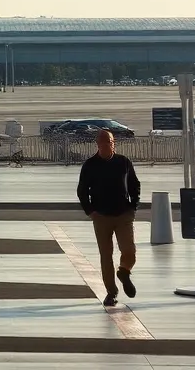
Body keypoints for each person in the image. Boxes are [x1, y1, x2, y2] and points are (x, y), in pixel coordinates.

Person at [76, 129, 140, 307]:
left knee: (129, 251)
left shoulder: (123, 162)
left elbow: (134, 184)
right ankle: (111, 292)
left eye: (110, 142)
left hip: (123, 215)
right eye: (103, 143)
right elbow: (82, 191)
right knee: (106, 255)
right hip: (101, 216)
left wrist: (133, 206)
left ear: (114, 143)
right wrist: (90, 211)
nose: (107, 146)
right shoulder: (90, 165)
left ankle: (124, 272)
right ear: (98, 145)